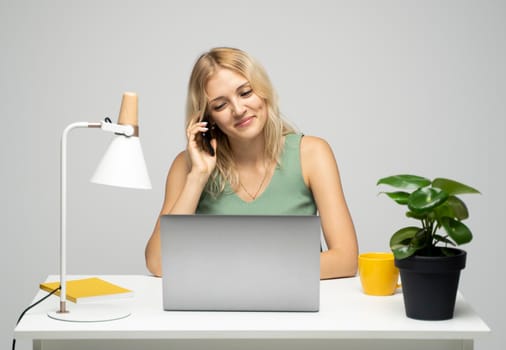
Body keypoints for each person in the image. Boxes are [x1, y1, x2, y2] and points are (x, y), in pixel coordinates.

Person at [145, 47, 358, 279]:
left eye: (245, 93)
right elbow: (158, 263)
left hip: (294, 307)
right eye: (220, 105)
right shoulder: (185, 166)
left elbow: (346, 260)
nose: (238, 110)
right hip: (218, 308)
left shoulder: (313, 153)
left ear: (263, 91)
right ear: (208, 119)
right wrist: (197, 177)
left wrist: (245, 272)